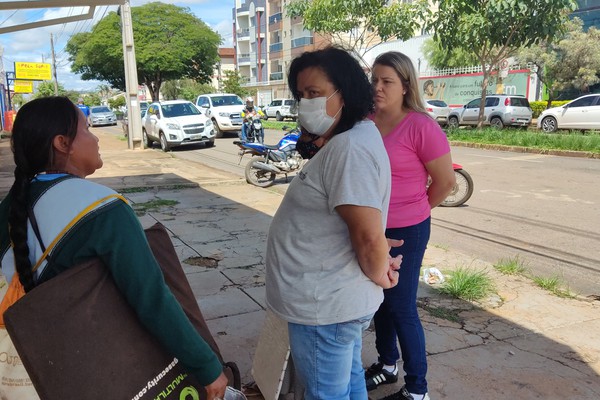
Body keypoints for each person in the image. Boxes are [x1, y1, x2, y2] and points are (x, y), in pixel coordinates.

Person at [0, 96, 228, 400]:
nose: (95, 138)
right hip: (93, 371)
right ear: (62, 143)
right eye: (86, 129)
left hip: (27, 372)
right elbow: (152, 299)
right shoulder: (103, 209)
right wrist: (207, 367)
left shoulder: (9, 207)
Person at [265, 46, 402, 400]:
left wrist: (380, 271)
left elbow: (368, 236)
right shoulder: (348, 140)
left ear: (346, 91)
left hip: (324, 307)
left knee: (327, 394)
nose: (305, 102)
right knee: (349, 382)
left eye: (315, 93)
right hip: (330, 300)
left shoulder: (350, 149)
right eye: (301, 95)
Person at [365, 52, 456, 400]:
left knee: (401, 306)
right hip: (374, 229)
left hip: (408, 230)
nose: (378, 87)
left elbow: (445, 182)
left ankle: (418, 390)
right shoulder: (366, 121)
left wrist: (415, 213)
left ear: (405, 86)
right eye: (374, 80)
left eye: (386, 81)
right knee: (379, 302)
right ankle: (387, 365)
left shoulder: (420, 125)